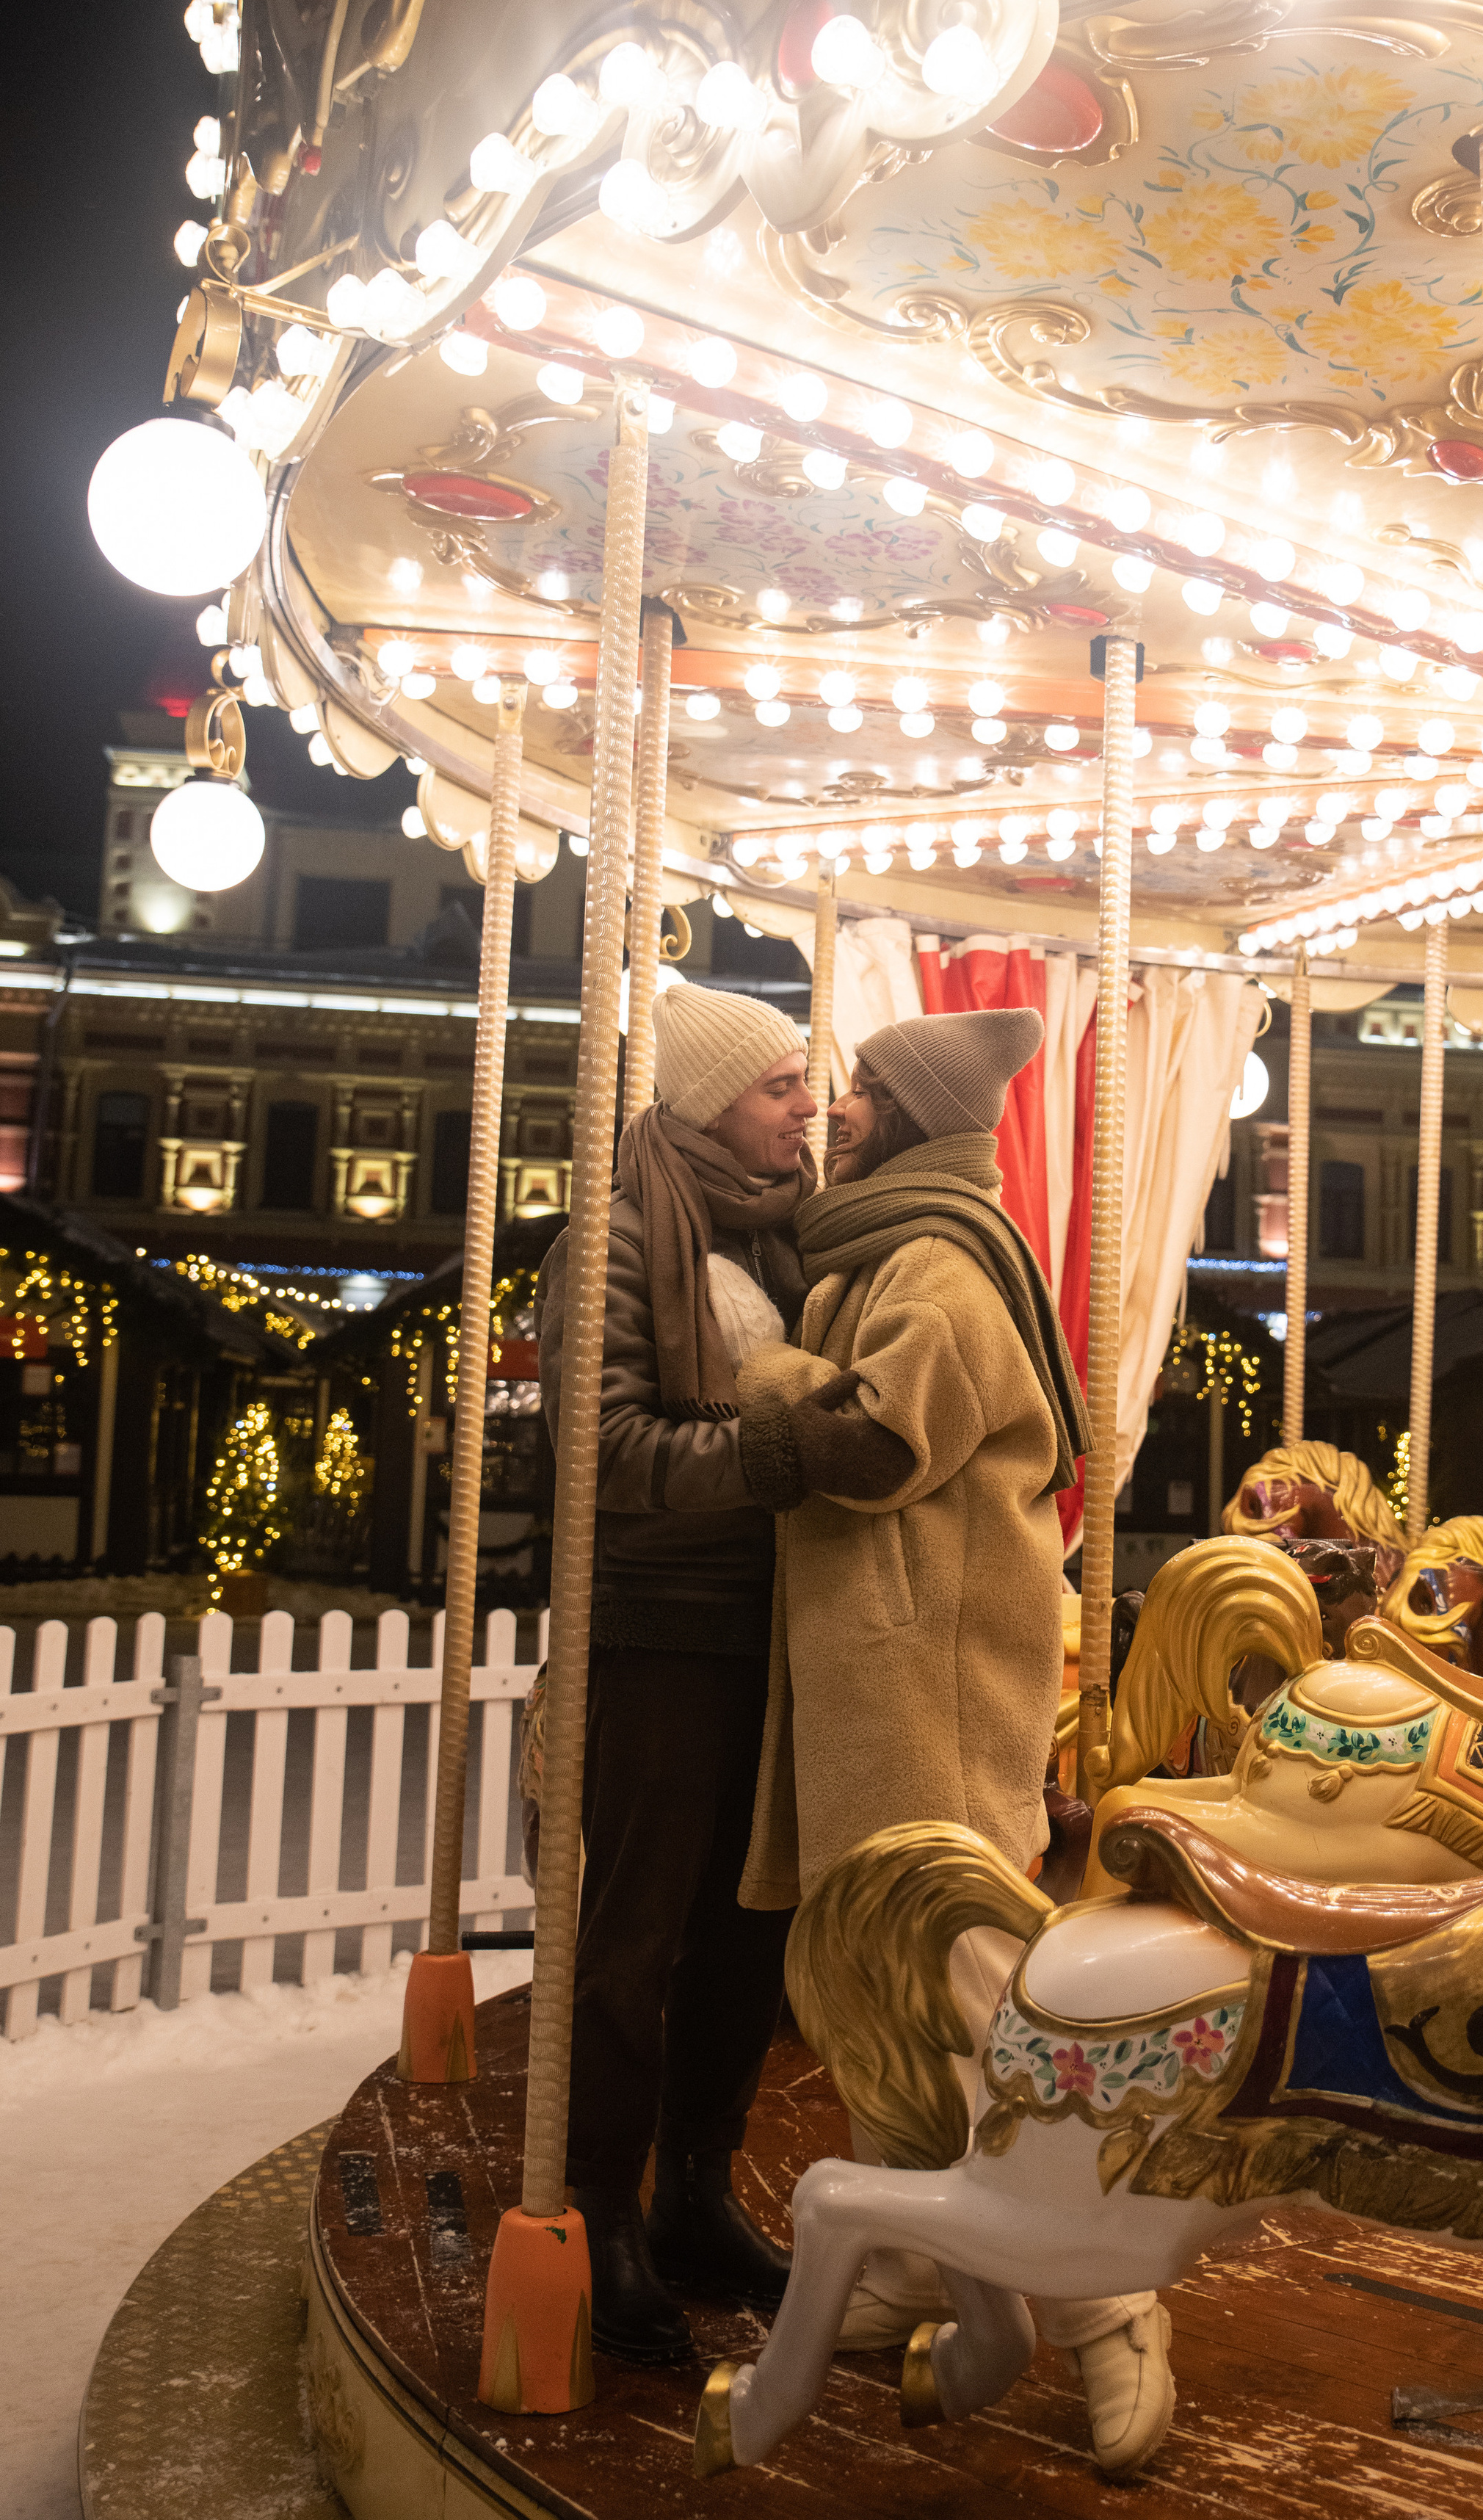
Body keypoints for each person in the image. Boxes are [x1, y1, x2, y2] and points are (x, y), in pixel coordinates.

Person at [734, 1007, 1178, 2477]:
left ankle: (1110, 2299)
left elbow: (874, 1450)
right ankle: (927, 2263)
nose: (838, 1106)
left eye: (865, 1089)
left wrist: (760, 1369)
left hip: (926, 1680)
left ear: (919, 1118)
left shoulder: (939, 1265)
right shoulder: (878, 1253)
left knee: (977, 2001)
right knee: (885, 1985)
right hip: (882, 1676)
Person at [537, 982, 813, 2366]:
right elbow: (607, 1453)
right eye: (780, 1085)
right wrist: (781, 1455)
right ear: (710, 1102)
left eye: (807, 1079)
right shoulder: (614, 1239)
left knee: (749, 1928)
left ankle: (697, 2187)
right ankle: (596, 2204)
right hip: (656, 1627)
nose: (807, 1105)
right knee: (634, 1934)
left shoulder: (788, 1234)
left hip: (775, 1624)